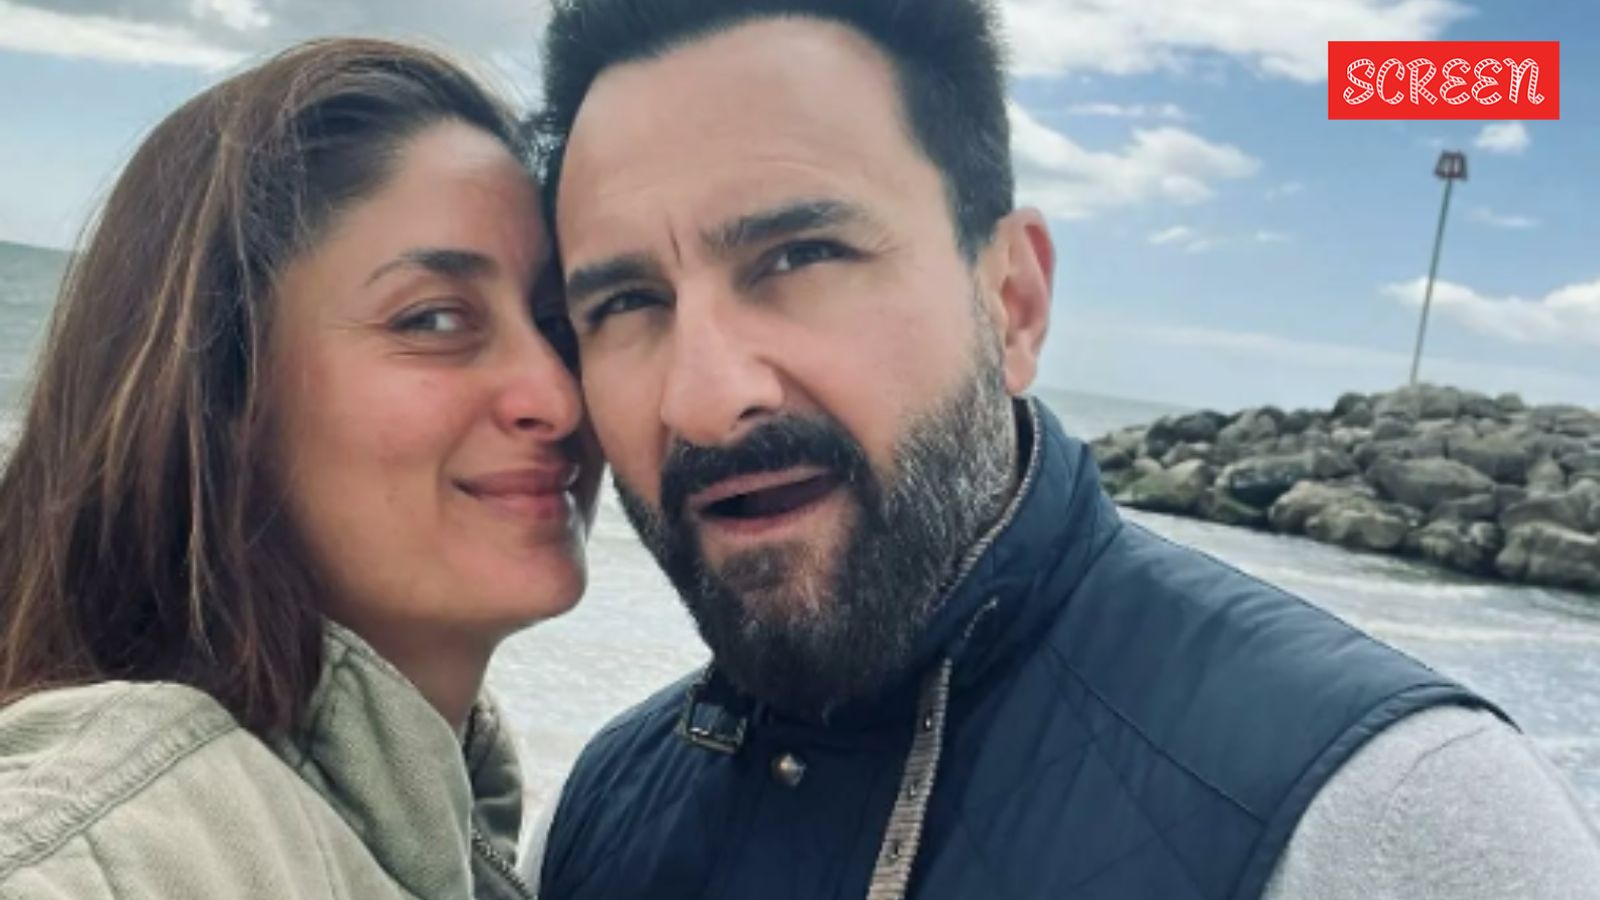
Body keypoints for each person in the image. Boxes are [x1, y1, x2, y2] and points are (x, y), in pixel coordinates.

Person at [524, 1, 1600, 898]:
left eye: (800, 255)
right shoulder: (598, 809)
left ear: (1013, 302)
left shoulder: (1387, 819)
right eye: (624, 302)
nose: (705, 399)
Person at [0, 38, 600, 900]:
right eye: (434, 320)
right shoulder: (127, 846)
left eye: (561, 320)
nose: (558, 396)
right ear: (223, 395)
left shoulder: (458, 831)